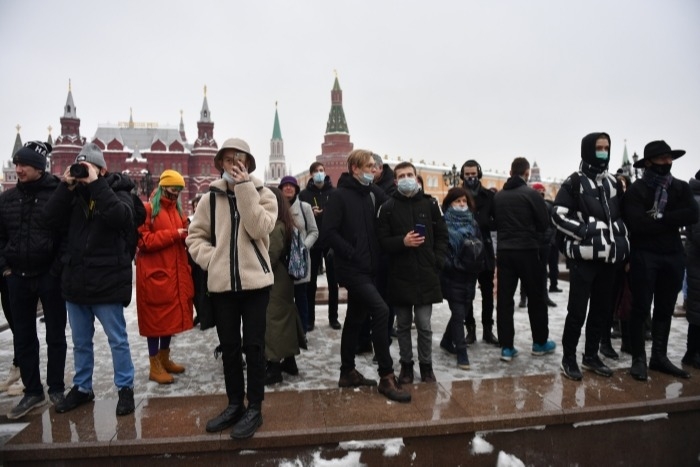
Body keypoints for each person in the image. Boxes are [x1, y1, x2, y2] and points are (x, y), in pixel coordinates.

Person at [186, 137, 276, 439]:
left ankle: (256, 408)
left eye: (240, 159)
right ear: (221, 164)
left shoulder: (265, 194)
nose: (234, 164)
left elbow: (260, 228)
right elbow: (194, 237)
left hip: (255, 285)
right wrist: (214, 260)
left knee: (254, 347)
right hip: (223, 285)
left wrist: (245, 189)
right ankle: (235, 403)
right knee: (229, 348)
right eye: (228, 159)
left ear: (248, 163)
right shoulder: (209, 198)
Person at [43, 142, 137, 416]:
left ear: (103, 170)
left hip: (106, 281)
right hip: (76, 281)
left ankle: (125, 389)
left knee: (117, 339)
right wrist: (65, 186)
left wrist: (97, 184)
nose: (83, 173)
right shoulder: (71, 196)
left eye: (89, 168)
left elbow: (120, 218)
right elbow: (47, 220)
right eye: (79, 167)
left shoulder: (119, 192)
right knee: (81, 342)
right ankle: (82, 388)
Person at [321, 149, 410, 403]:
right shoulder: (339, 197)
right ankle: (386, 376)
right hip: (351, 268)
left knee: (355, 317)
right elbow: (328, 233)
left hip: (370, 268)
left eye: (375, 166)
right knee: (381, 311)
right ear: (355, 169)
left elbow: (393, 204)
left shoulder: (373, 193)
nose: (374, 170)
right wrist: (351, 252)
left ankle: (347, 371)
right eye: (369, 166)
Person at [552, 132, 629, 381]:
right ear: (588, 150)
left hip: (608, 258)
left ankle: (591, 355)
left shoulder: (612, 184)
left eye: (607, 147)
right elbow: (558, 214)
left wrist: (620, 240)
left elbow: (620, 216)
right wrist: (585, 231)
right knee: (577, 310)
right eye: (599, 147)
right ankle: (569, 357)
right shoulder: (574, 182)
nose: (603, 152)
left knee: (601, 309)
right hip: (584, 258)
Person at [0, 141, 67, 419]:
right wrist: (5, 268)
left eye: (23, 165)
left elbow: (66, 238)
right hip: (16, 277)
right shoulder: (7, 199)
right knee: (24, 336)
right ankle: (32, 391)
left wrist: (54, 271)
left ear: (39, 168)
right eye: (16, 164)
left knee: (55, 335)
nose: (18, 170)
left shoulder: (57, 195)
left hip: (48, 277)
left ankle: (56, 388)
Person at [624, 140, 699, 381]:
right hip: (644, 255)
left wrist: (659, 218)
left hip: (672, 256)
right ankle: (639, 359)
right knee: (641, 308)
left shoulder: (679, 187)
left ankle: (659, 356)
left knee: (665, 308)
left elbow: (692, 213)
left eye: (669, 158)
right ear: (649, 163)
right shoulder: (637, 189)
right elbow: (636, 224)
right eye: (662, 158)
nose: (668, 162)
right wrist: (669, 220)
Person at [376, 162, 448, 383]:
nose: (406, 178)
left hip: (426, 274)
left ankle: (427, 366)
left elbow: (442, 236)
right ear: (396, 181)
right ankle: (406, 366)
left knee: (424, 325)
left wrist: (438, 261)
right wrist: (403, 242)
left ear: (416, 178)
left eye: (410, 174)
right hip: (400, 275)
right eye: (402, 175)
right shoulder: (387, 208)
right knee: (404, 324)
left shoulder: (430, 204)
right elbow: (382, 241)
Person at [136, 170, 194, 385]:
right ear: (162, 188)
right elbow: (143, 241)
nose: (176, 193)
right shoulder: (148, 209)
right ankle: (154, 365)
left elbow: (181, 235)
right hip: (155, 275)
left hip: (173, 273)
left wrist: (187, 231)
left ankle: (164, 357)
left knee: (168, 319)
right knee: (155, 321)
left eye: (179, 190)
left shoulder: (178, 211)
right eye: (172, 189)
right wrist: (175, 234)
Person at [493, 157, 555, 362]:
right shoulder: (531, 194)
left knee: (504, 300)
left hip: (504, 252)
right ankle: (539, 343)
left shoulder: (499, 197)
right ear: (527, 173)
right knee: (536, 298)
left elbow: (494, 223)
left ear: (510, 172)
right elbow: (544, 223)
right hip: (528, 251)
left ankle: (506, 347)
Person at [264, 187, 306, 385]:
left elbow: (269, 258)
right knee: (286, 318)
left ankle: (273, 368)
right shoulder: (286, 223)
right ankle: (290, 362)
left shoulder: (274, 226)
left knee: (273, 322)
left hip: (275, 281)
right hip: (285, 280)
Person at [439, 187, 483, 370]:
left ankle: (446, 341)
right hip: (452, 275)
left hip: (470, 276)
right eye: (457, 201)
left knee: (463, 311)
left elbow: (480, 247)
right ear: (450, 203)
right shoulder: (443, 224)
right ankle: (462, 352)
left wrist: (476, 265)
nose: (461, 204)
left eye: (464, 201)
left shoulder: (473, 223)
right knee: (458, 314)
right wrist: (454, 265)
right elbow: (441, 251)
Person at [460, 160, 499, 345]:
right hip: (465, 252)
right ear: (462, 175)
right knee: (467, 293)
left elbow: (496, 222)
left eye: (473, 173)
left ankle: (488, 330)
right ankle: (470, 329)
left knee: (487, 294)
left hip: (485, 250)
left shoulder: (489, 197)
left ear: (479, 173)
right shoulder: (458, 195)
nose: (470, 177)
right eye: (467, 174)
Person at [298, 162, 341, 330]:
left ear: (325, 172)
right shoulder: (304, 194)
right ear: (311, 174)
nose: (319, 173)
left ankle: (333, 317)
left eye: (321, 171)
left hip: (330, 243)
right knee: (311, 283)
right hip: (313, 243)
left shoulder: (335, 193)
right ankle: (310, 319)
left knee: (333, 282)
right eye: (316, 171)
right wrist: (311, 214)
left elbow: (339, 216)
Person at [279, 176, 318, 334]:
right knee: (283, 299)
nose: (288, 188)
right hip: (280, 260)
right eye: (285, 185)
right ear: (281, 189)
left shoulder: (305, 207)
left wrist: (304, 247)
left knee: (301, 297)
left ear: (296, 189)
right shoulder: (276, 208)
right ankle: (285, 332)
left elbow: (314, 231)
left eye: (292, 185)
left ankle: (302, 331)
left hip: (299, 260)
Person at [682, 169, 700, 369]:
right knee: (697, 308)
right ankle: (692, 352)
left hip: (695, 261)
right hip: (697, 261)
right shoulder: (696, 200)